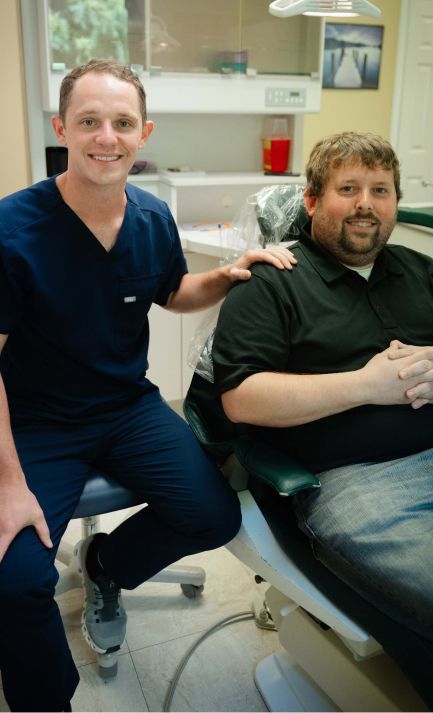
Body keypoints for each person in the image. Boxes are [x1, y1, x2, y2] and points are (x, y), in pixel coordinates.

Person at [0, 58, 297, 712]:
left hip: (127, 407)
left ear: (143, 133)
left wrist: (228, 275)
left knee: (214, 512)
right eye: (89, 121)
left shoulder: (153, 219)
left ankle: (107, 565)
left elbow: (172, 292)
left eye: (122, 123)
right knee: (14, 578)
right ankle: (46, 699)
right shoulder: (12, 227)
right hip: (36, 421)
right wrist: (7, 481)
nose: (107, 136)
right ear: (62, 128)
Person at [212, 132, 433, 709]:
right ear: (310, 201)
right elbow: (242, 398)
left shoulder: (422, 271)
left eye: (380, 190)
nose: (365, 204)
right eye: (347, 189)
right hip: (369, 482)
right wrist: (366, 386)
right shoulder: (273, 280)